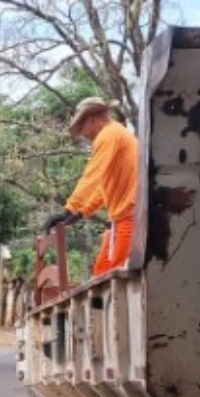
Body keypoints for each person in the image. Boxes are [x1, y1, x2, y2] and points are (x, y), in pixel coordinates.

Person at [45, 97, 138, 276]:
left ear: (92, 119)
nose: (81, 133)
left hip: (130, 219)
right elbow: (102, 187)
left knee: (114, 283)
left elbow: (91, 176)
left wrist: (69, 209)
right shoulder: (116, 134)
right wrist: (81, 212)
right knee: (101, 276)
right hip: (123, 220)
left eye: (81, 127)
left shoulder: (109, 134)